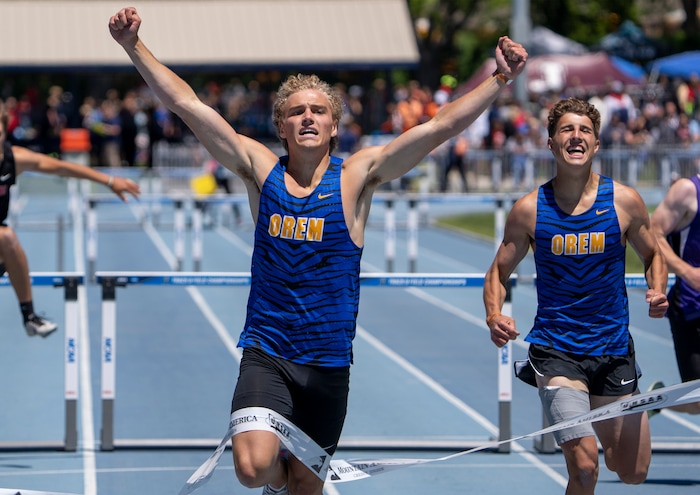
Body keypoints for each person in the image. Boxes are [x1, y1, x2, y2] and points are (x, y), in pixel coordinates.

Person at [108, 7, 527, 495]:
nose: (308, 117)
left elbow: (437, 129)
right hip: (268, 352)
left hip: (328, 363)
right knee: (250, 467)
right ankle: (275, 479)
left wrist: (500, 78)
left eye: (318, 111)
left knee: (308, 489)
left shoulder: (356, 177)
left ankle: (292, 480)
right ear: (281, 126)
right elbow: (189, 106)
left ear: (333, 126)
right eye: (296, 112)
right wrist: (133, 46)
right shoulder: (260, 171)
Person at [483, 98, 668, 495]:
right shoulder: (530, 210)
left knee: (631, 470)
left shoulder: (624, 201)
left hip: (613, 350)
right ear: (551, 143)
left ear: (597, 144)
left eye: (584, 130)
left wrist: (657, 290)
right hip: (557, 352)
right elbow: (498, 271)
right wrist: (494, 314)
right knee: (584, 469)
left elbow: (653, 254)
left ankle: (641, 403)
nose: (576, 136)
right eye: (567, 129)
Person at [0, 107, 141, 337]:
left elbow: (63, 168)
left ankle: (30, 317)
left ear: (5, 131)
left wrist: (109, 180)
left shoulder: (14, 159)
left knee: (6, 237)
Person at [648, 174, 700, 415]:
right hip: (692, 307)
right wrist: (688, 272)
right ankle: (656, 400)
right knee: (698, 401)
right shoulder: (687, 190)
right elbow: (653, 233)